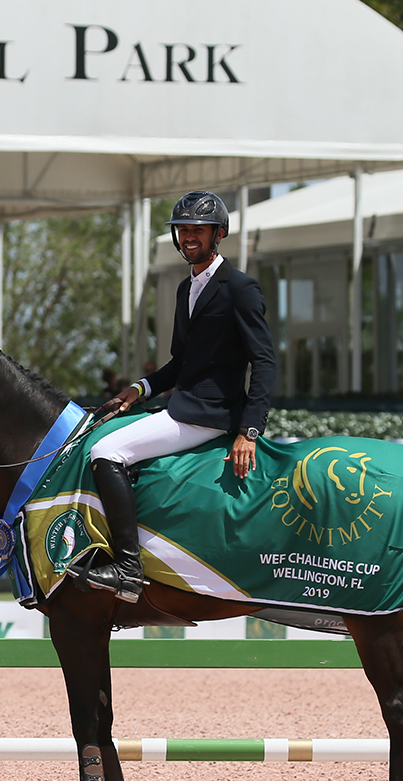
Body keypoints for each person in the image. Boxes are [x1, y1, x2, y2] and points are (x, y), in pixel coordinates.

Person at [82, 191, 276, 603]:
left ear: (218, 234)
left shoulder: (240, 288)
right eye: (183, 230)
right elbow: (178, 364)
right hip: (183, 404)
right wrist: (136, 391)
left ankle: (129, 568)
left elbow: (264, 362)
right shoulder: (184, 288)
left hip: (208, 414)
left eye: (197, 230)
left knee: (106, 451)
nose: (189, 236)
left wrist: (250, 431)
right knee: (105, 430)